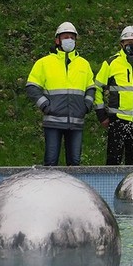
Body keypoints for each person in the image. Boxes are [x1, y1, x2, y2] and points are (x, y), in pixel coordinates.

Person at [25, 21, 95, 166]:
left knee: (75, 163)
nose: (69, 40)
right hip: (53, 121)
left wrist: (87, 105)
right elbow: (32, 87)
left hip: (76, 121)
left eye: (72, 37)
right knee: (51, 162)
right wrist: (45, 105)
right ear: (57, 40)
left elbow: (91, 88)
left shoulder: (84, 64)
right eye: (65, 37)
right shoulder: (44, 63)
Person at [94, 25, 133, 165]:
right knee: (113, 162)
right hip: (117, 120)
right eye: (129, 42)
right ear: (121, 44)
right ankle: (110, 187)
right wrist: (101, 114)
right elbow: (97, 88)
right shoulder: (111, 63)